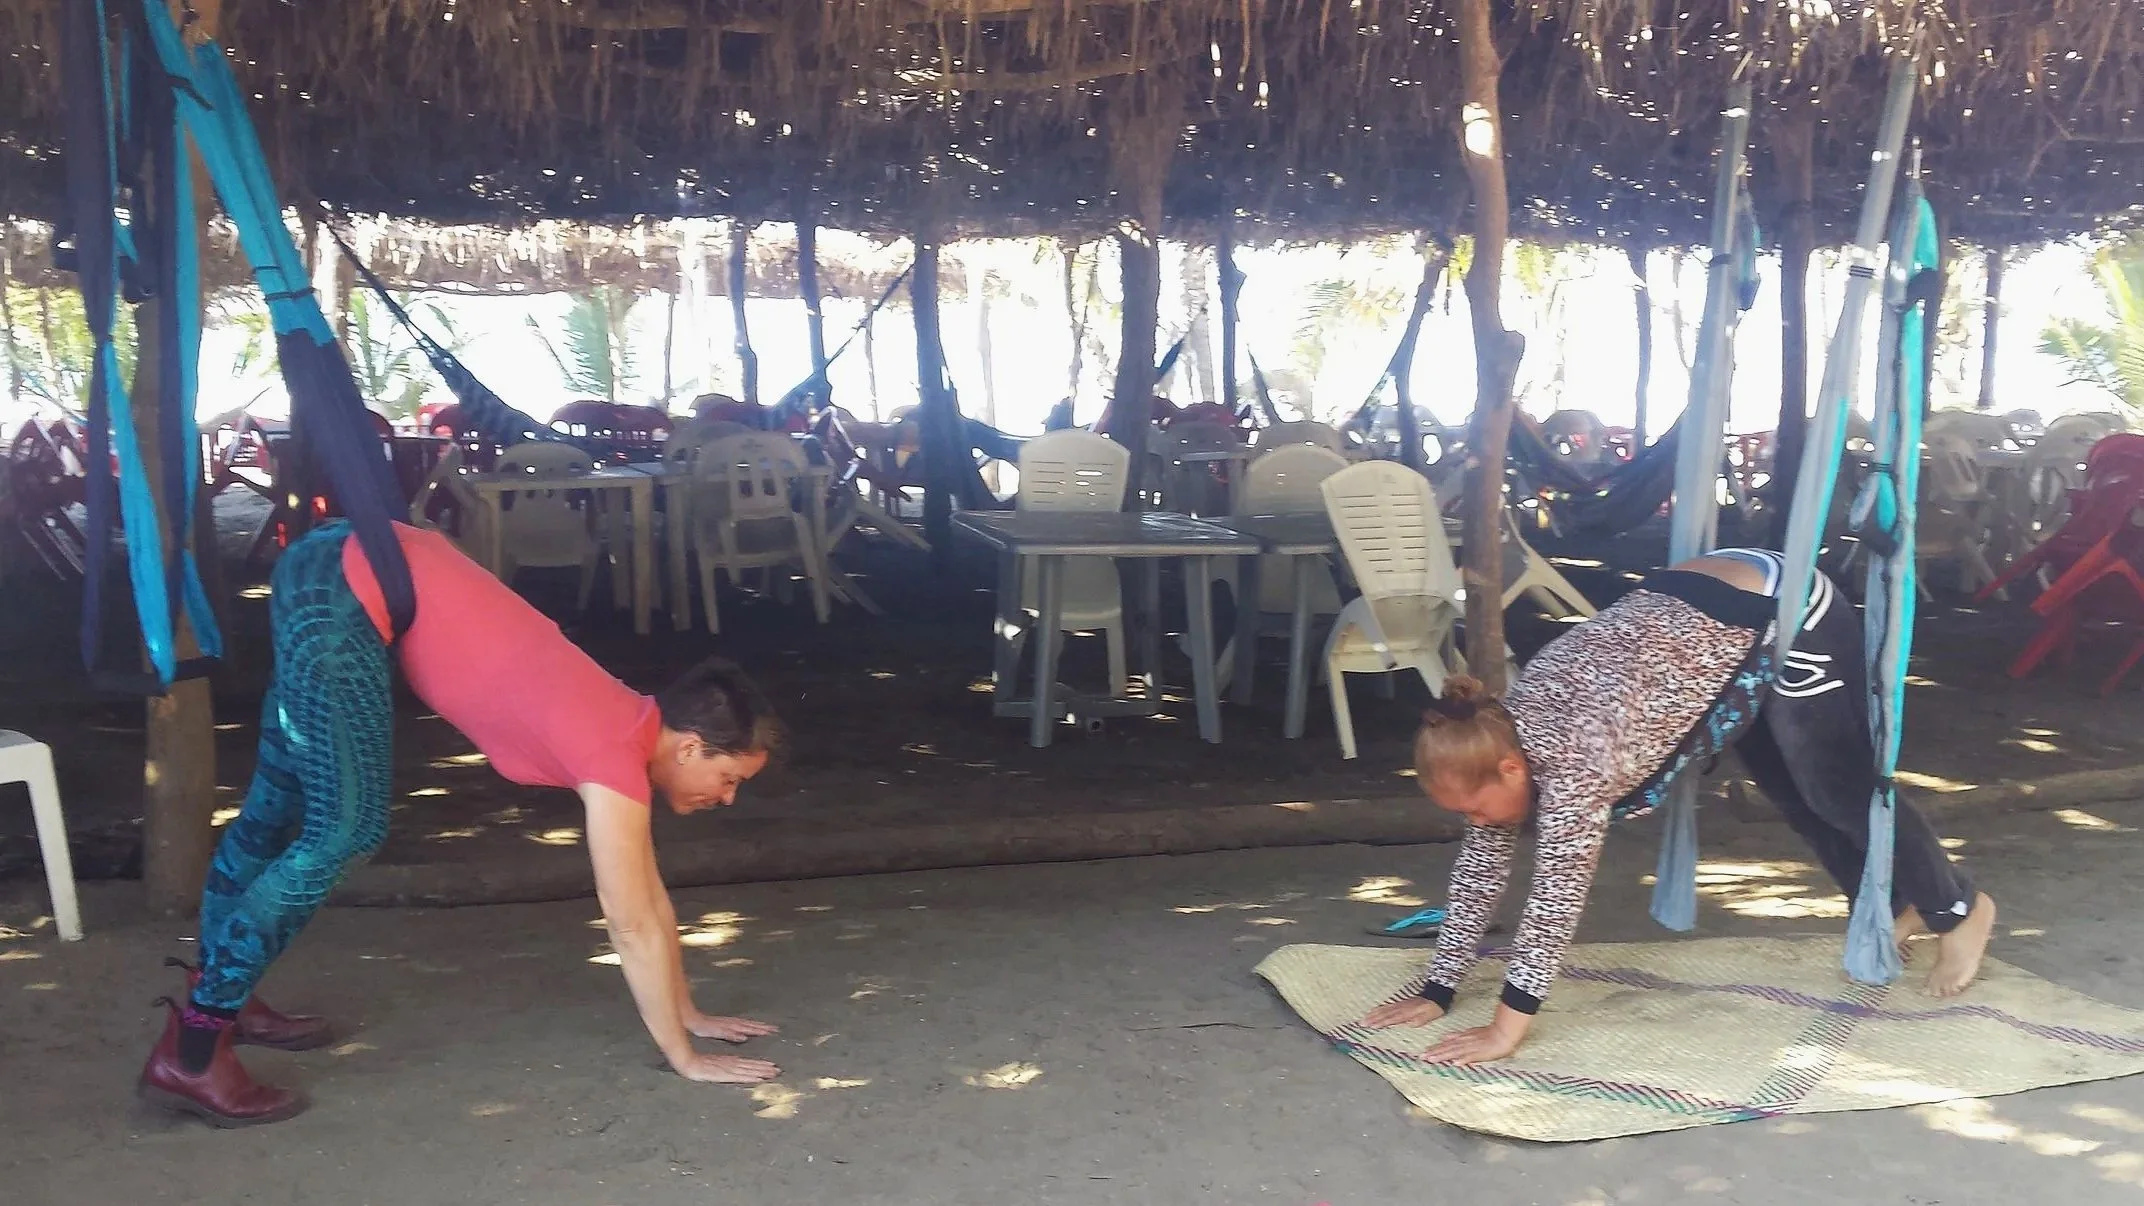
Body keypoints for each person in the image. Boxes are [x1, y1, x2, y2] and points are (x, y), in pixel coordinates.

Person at [137, 518, 787, 1128]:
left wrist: (688, 1012)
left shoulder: (625, 726)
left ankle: (227, 997)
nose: (727, 798)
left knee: (276, 810)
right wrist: (683, 1056)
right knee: (345, 830)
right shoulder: (614, 755)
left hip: (342, 564)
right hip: (346, 586)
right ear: (691, 747)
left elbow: (650, 899)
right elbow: (631, 922)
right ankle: (194, 1049)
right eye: (730, 779)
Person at [1362, 547, 1997, 1064]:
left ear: (1508, 767)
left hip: (1783, 603)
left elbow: (1554, 901)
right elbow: (1481, 872)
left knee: (1837, 787)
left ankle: (1959, 909)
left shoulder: (1578, 761)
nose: (1476, 825)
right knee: (1797, 798)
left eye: (1474, 809)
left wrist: (1505, 1029)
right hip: (1700, 613)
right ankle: (1898, 902)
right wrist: (1439, 990)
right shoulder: (1501, 737)